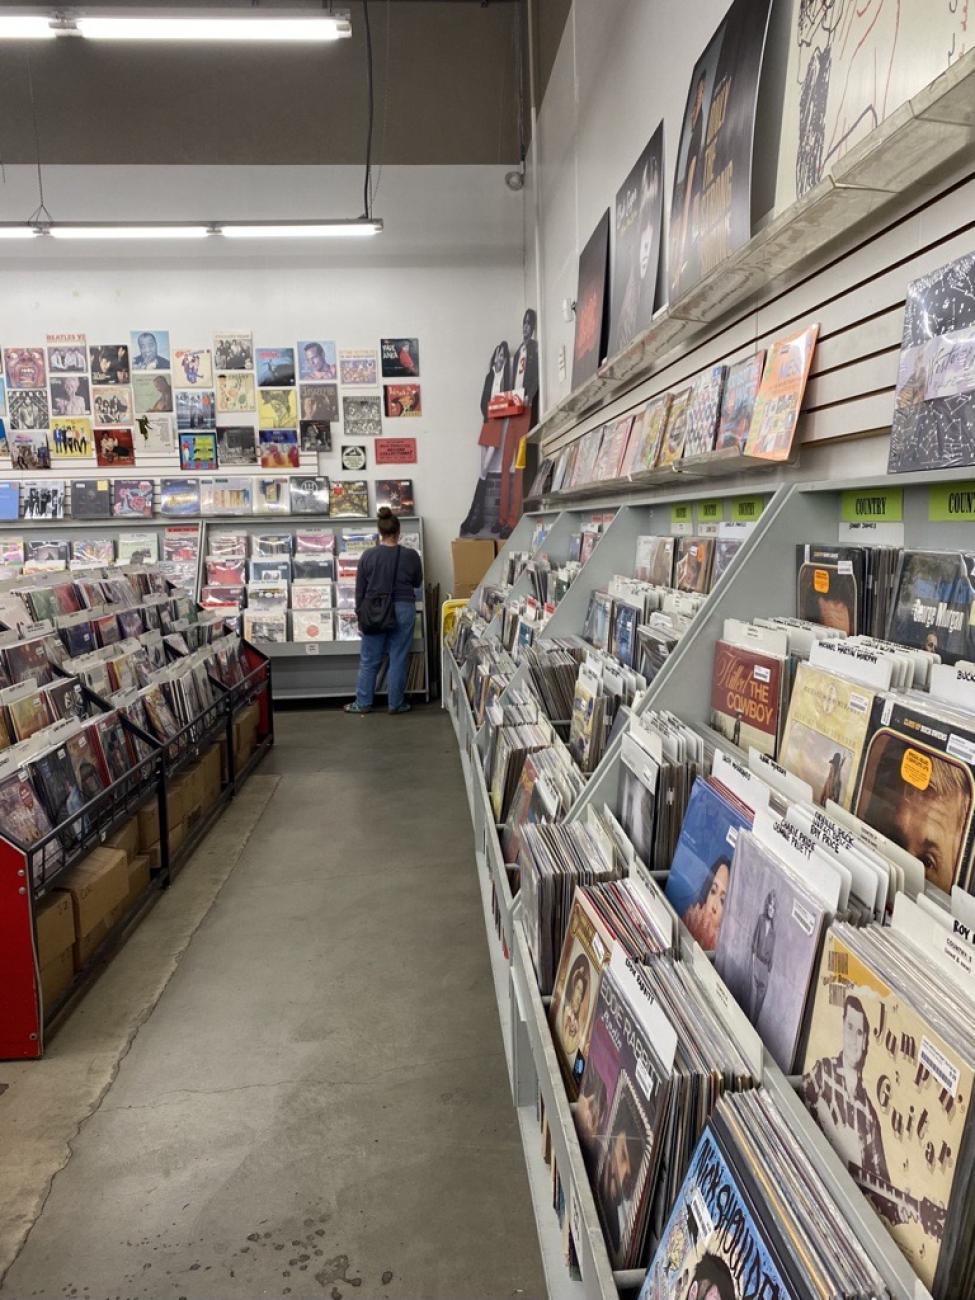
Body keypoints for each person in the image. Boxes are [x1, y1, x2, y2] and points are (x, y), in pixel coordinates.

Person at [802, 994, 906, 1227]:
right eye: (850, 1027)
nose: (853, 1038)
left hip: (841, 1215)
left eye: (860, 1033)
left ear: (867, 1041)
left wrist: (902, 1207)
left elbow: (882, 1188)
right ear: (842, 1027)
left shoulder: (869, 1117)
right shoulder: (823, 1071)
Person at [345, 508, 423, 715]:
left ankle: (363, 703)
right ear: (399, 532)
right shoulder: (411, 555)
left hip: (375, 610)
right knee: (398, 657)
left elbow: (360, 589)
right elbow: (417, 582)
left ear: (380, 532)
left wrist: (361, 617)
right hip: (404, 608)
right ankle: (395, 704)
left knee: (369, 660)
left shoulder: (368, 556)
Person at [682, 856, 731, 951]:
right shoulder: (691, 918)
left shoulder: (725, 948)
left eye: (722, 901)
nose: (713, 906)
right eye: (713, 891)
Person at [749, 890, 776, 1022]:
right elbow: (755, 938)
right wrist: (753, 957)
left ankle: (754, 1023)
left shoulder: (773, 930)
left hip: (765, 968)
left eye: (774, 907)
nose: (772, 909)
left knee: (760, 999)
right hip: (757, 961)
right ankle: (749, 1021)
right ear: (767, 905)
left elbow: (771, 951)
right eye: (770, 905)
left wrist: (769, 970)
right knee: (752, 998)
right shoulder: (761, 919)